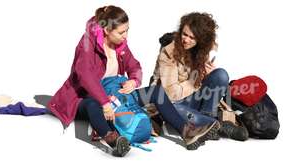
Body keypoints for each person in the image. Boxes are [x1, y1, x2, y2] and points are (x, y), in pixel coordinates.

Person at [48, 6, 219, 157]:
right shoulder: (86, 44)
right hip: (85, 97)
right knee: (94, 106)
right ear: (107, 30)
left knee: (156, 92)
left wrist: (134, 81)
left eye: (127, 30)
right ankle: (114, 140)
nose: (125, 36)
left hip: (116, 94)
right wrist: (105, 103)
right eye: (121, 32)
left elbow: (134, 66)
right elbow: (85, 75)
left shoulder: (120, 45)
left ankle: (187, 132)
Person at [151, 12, 248, 141]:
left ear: (200, 40)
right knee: (173, 107)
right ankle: (216, 125)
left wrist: (207, 75)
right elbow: (171, 93)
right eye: (184, 34)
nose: (186, 39)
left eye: (192, 37)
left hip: (192, 99)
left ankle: (206, 118)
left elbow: (206, 83)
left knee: (220, 75)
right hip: (172, 101)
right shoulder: (168, 53)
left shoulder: (201, 51)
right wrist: (196, 81)